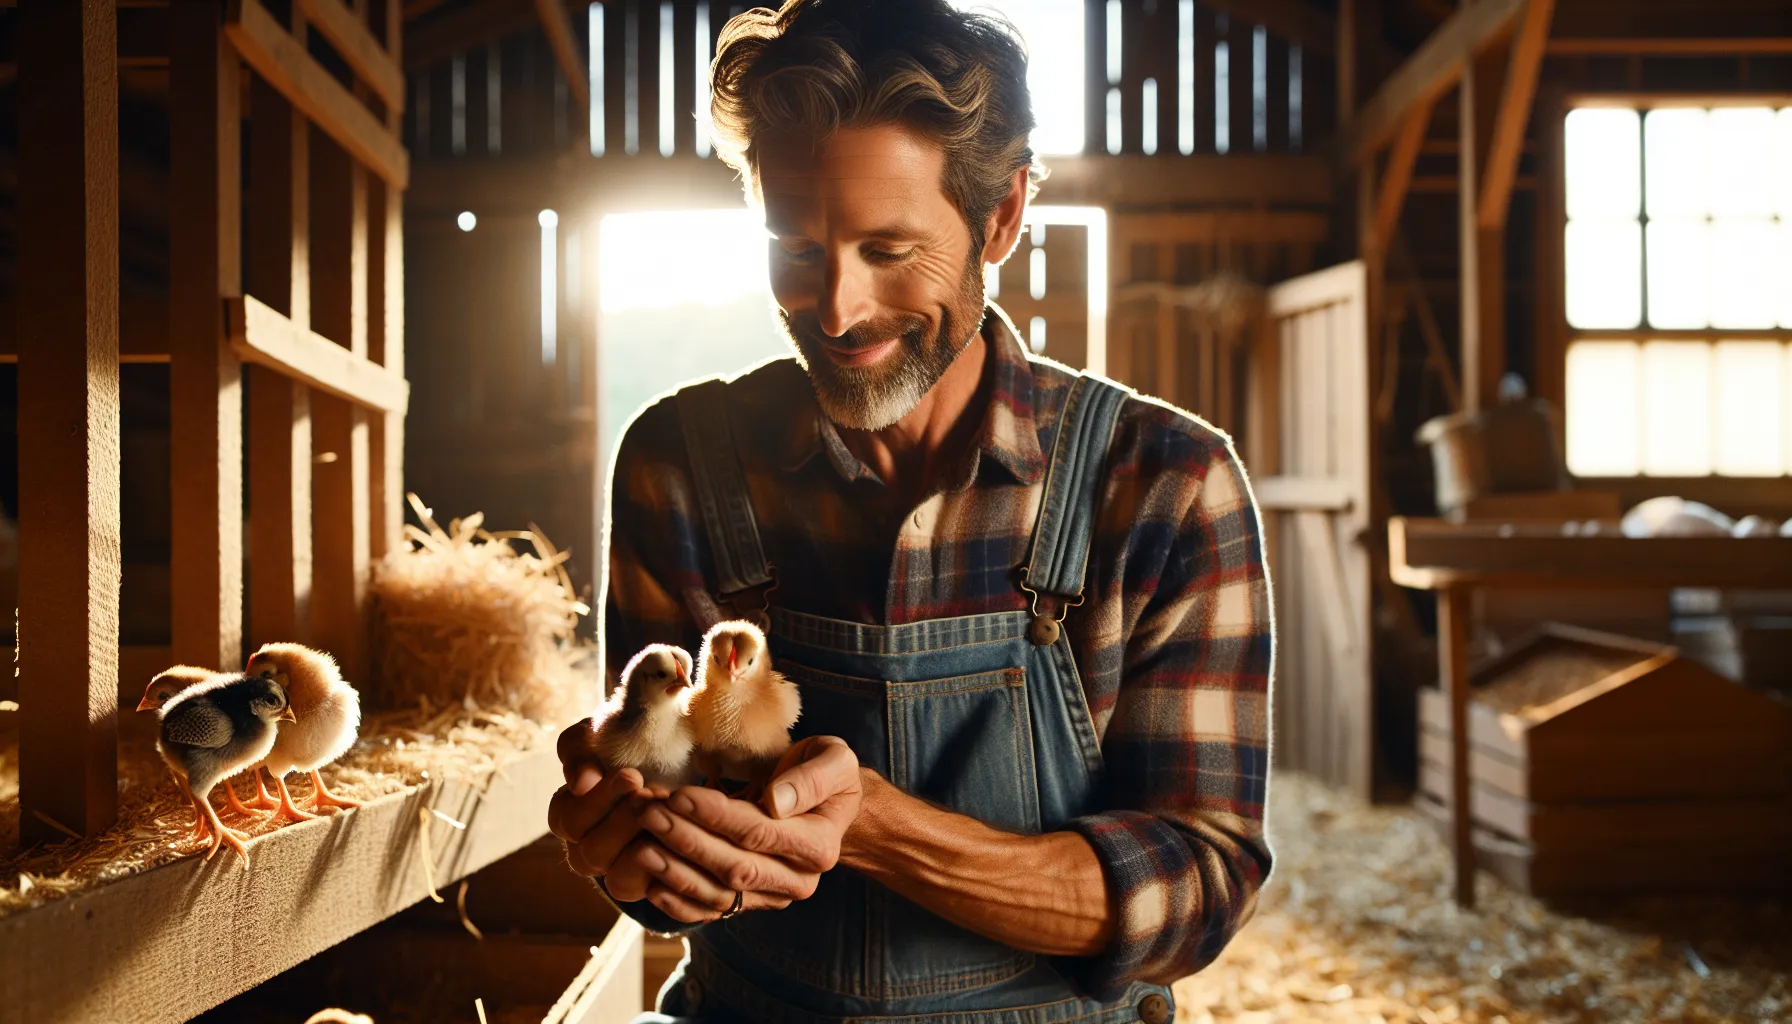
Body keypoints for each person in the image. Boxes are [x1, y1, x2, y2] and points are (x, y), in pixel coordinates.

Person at [548, 2, 1274, 1021]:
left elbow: (1197, 890)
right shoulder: (680, 466)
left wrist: (877, 827)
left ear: (1003, 219)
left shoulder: (1165, 487)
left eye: (889, 250)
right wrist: (639, 855)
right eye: (796, 246)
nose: (836, 310)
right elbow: (664, 868)